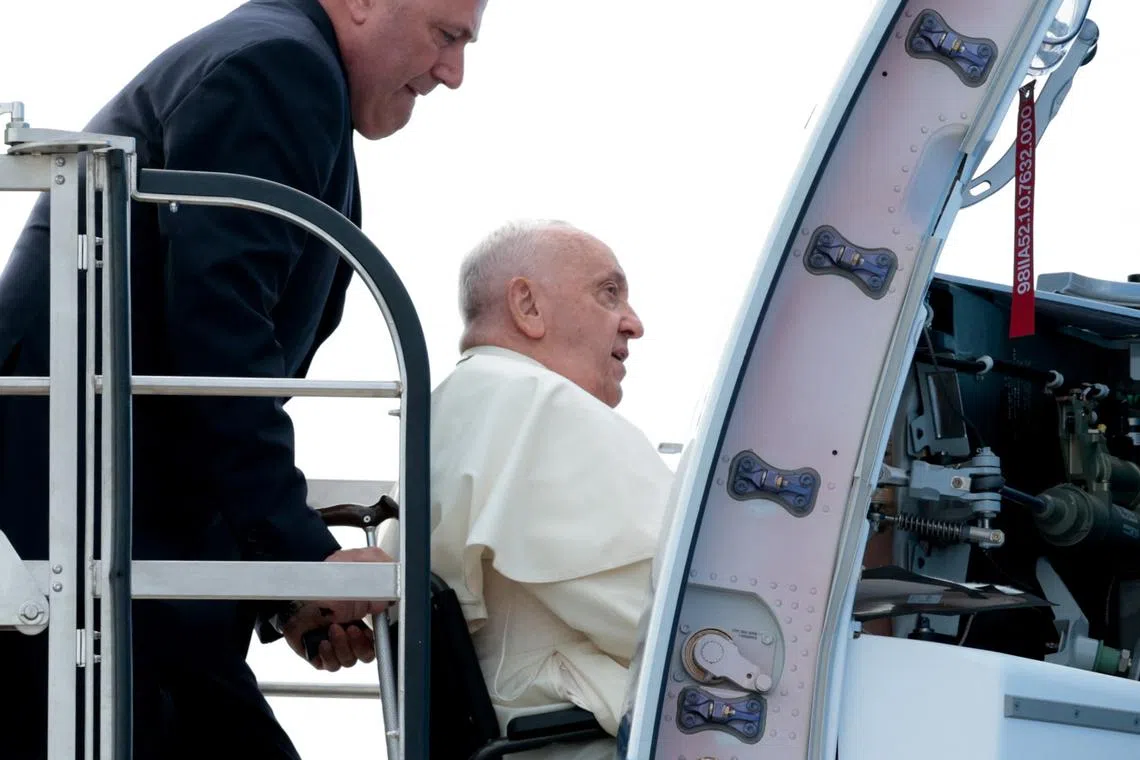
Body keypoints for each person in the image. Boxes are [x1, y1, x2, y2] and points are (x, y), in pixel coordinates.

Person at [0, 0, 488, 758]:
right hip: (73, 540)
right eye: (446, 35)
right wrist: (301, 558)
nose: (454, 73)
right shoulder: (277, 70)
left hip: (116, 537)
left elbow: (188, 365)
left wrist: (287, 587)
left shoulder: (286, 67)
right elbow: (216, 342)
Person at [383, 220, 675, 758]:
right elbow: (676, 627)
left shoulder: (446, 412)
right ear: (527, 306)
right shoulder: (544, 407)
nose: (633, 324)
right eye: (609, 294)